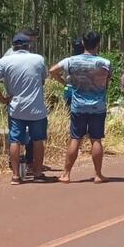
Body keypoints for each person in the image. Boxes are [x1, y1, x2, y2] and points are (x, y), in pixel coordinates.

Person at [49, 31, 111, 184]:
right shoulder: (105, 63)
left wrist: (65, 83)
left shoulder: (70, 61)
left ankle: (66, 174)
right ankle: (98, 174)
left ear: (83, 43)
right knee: (96, 140)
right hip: (98, 106)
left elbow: (52, 71)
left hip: (78, 106)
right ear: (98, 44)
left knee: (75, 139)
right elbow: (107, 82)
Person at [0, 33, 48, 185]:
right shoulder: (38, 59)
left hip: (16, 108)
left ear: (13, 46)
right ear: (28, 45)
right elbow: (42, 80)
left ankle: (15, 176)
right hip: (37, 109)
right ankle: (37, 172)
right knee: (37, 140)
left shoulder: (5, 61)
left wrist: (2, 99)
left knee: (15, 140)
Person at [3, 28, 39, 173]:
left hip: (15, 101)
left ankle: (22, 164)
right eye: (33, 39)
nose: (34, 42)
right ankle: (24, 164)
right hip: (23, 101)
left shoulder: (8, 56)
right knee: (25, 134)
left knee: (18, 135)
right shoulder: (13, 56)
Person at [63, 38, 85, 110]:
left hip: (69, 88)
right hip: (83, 89)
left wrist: (63, 82)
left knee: (69, 112)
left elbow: (52, 71)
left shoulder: (68, 60)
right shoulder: (89, 61)